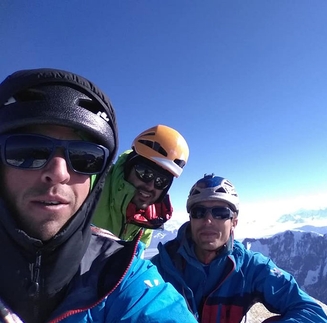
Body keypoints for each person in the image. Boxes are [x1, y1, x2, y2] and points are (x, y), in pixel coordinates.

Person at [0, 68, 197, 323]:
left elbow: (132, 280)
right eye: (29, 151)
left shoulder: (145, 219)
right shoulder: (97, 192)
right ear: (125, 167)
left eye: (84, 158)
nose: (59, 173)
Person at [151, 173, 327, 323]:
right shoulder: (161, 268)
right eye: (199, 212)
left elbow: (312, 312)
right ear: (191, 219)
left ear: (234, 221)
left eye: (220, 213)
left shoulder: (251, 267)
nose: (208, 221)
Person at [92, 124, 189, 247]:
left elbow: (135, 258)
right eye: (145, 173)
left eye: (161, 181)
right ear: (128, 167)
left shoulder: (147, 219)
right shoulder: (94, 184)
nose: (150, 186)